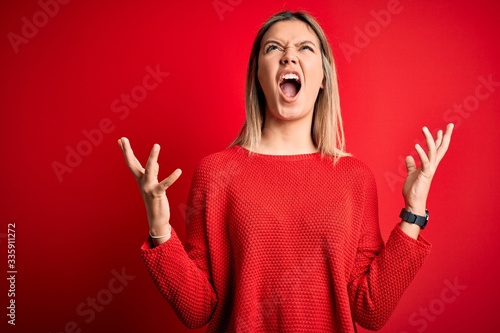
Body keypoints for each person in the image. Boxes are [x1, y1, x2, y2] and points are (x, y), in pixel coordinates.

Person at [118, 10, 453, 333]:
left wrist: (414, 212)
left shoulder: (354, 177)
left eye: (305, 48)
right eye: (274, 48)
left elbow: (370, 309)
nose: (289, 56)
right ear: (259, 76)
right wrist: (159, 227)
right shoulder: (216, 173)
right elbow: (198, 310)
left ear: (322, 77)